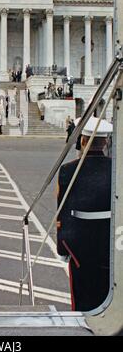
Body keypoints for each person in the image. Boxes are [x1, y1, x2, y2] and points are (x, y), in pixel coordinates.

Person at [57, 117, 112, 311]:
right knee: (110, 289)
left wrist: (63, 247)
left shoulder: (68, 170)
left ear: (82, 140)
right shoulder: (117, 169)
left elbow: (62, 211)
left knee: (83, 297)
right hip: (112, 239)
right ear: (106, 141)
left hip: (80, 243)